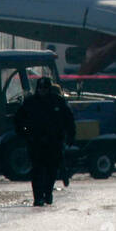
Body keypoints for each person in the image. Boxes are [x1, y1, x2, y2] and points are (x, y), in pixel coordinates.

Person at [15, 76, 76, 206]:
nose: (42, 90)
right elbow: (18, 119)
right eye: (40, 88)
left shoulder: (58, 101)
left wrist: (70, 136)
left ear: (49, 89)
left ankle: (48, 193)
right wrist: (24, 134)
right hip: (35, 142)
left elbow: (69, 119)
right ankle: (38, 197)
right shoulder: (30, 102)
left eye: (45, 88)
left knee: (51, 170)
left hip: (54, 142)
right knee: (37, 170)